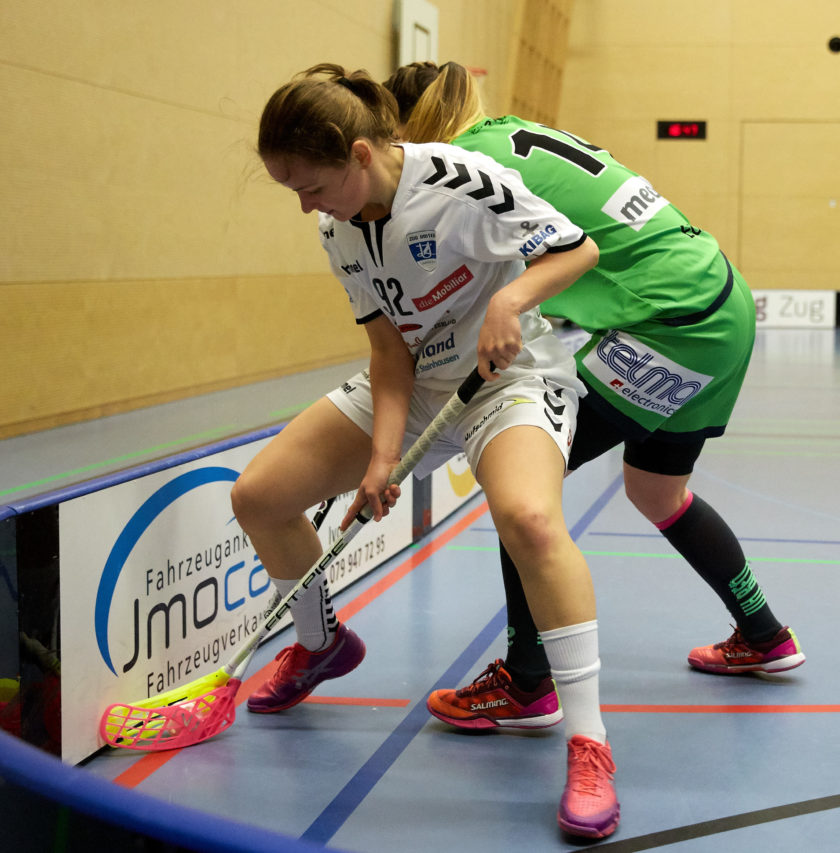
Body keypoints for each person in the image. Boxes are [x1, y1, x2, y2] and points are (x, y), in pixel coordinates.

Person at [230, 64, 619, 839]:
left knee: (531, 520)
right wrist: (382, 458)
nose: (305, 205)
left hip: (507, 376)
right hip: (417, 379)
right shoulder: (336, 223)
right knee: (260, 496)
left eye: (310, 184)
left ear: (361, 153)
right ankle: (319, 643)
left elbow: (579, 250)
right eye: (291, 190)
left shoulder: (465, 182)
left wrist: (509, 299)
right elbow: (387, 351)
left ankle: (590, 742)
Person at [382, 61, 804, 734]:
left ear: (410, 127)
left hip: (672, 321)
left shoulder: (457, 165)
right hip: (718, 301)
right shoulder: (509, 132)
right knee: (658, 492)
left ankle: (526, 681)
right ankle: (764, 634)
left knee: (524, 481)